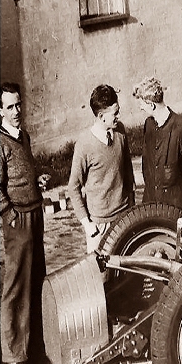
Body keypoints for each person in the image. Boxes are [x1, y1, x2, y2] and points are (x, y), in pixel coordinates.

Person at [0, 83, 49, 364]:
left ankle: (32, 347)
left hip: (35, 213)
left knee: (36, 280)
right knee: (16, 286)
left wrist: (37, 180)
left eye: (18, 105)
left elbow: (21, 173)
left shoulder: (23, 136)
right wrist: (10, 214)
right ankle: (12, 357)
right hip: (18, 221)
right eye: (10, 107)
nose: (16, 112)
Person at [68, 84, 135, 253]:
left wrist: (131, 205)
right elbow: (73, 187)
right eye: (115, 113)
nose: (119, 116)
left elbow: (128, 170)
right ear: (101, 116)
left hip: (124, 218)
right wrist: (87, 224)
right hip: (99, 227)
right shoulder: (84, 145)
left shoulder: (120, 132)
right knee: (101, 276)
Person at [133, 77, 182, 208]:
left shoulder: (181, 127)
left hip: (175, 205)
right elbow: (147, 166)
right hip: (152, 203)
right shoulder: (148, 125)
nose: (141, 108)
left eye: (142, 104)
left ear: (151, 105)